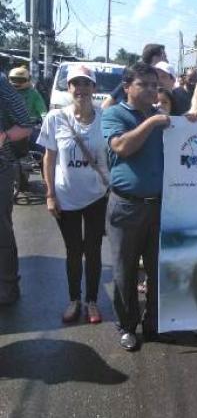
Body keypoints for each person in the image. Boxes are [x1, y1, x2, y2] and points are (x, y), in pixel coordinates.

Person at [101, 62, 170, 351]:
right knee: (124, 271)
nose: (152, 90)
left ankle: (153, 322)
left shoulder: (161, 116)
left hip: (158, 207)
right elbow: (121, 147)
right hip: (126, 207)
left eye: (155, 85)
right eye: (145, 84)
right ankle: (127, 326)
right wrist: (152, 122)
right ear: (127, 87)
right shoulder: (115, 113)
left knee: (157, 269)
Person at [37, 65, 109, 324]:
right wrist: (50, 194)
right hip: (65, 197)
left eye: (86, 84)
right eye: (76, 84)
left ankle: (91, 301)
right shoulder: (55, 119)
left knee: (93, 250)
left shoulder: (104, 118)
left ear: (94, 88)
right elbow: (49, 158)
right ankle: (73, 300)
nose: (81, 89)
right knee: (73, 250)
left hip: (97, 196)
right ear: (68, 88)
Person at [0, 73, 32, 305]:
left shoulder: (1, 83)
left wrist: (3, 136)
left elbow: (25, 125)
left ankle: (8, 286)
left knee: (1, 229)